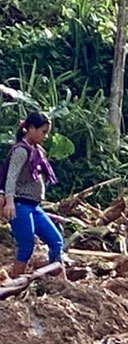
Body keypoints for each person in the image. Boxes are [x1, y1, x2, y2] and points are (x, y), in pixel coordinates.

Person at [0, 111, 65, 279]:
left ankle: (58, 282)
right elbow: (11, 177)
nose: (46, 136)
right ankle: (14, 285)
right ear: (31, 129)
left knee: (56, 241)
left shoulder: (36, 150)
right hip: (20, 205)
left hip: (34, 206)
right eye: (43, 132)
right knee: (27, 246)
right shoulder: (21, 151)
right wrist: (9, 202)